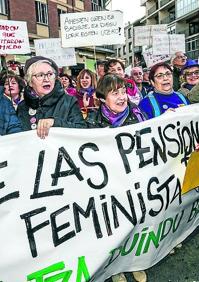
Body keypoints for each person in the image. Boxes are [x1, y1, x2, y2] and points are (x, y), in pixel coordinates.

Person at [86, 73, 147, 282]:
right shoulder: (92, 121)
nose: (122, 97)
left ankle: (134, 263)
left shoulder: (138, 114)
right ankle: (115, 269)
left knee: (135, 225)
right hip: (109, 187)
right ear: (102, 98)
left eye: (123, 92)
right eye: (115, 93)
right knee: (113, 228)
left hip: (135, 182)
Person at [17, 56, 86, 138]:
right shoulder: (22, 107)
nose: (46, 79)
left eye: (50, 74)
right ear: (30, 82)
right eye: (40, 75)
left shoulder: (69, 101)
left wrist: (55, 122)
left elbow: (82, 130)